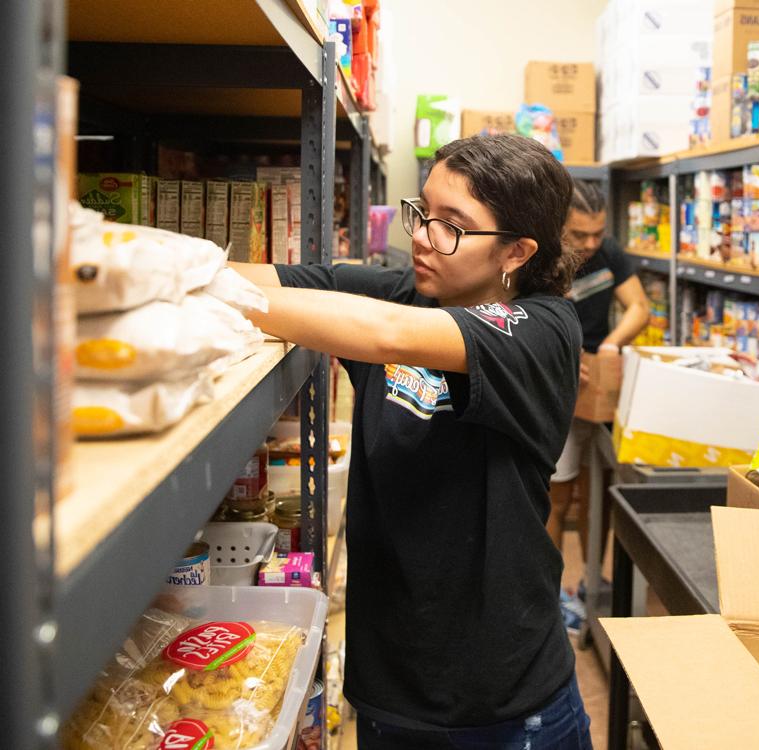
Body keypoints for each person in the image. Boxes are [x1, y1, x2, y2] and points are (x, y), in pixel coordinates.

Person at [230, 134, 592, 749]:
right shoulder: (410, 287)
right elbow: (276, 278)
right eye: (422, 212)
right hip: (392, 682)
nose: (421, 236)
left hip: (502, 693)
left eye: (451, 226)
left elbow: (391, 335)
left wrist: (220, 297)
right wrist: (135, 258)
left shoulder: (545, 330)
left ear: (517, 250)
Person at [546, 180, 649, 626]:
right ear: (560, 226)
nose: (590, 244)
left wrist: (610, 346)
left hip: (601, 388)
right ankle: (548, 596)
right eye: (580, 235)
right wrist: (560, 353)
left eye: (598, 234)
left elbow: (639, 308)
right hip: (559, 391)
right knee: (557, 495)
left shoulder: (609, 254)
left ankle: (591, 580)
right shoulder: (543, 257)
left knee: (601, 491)